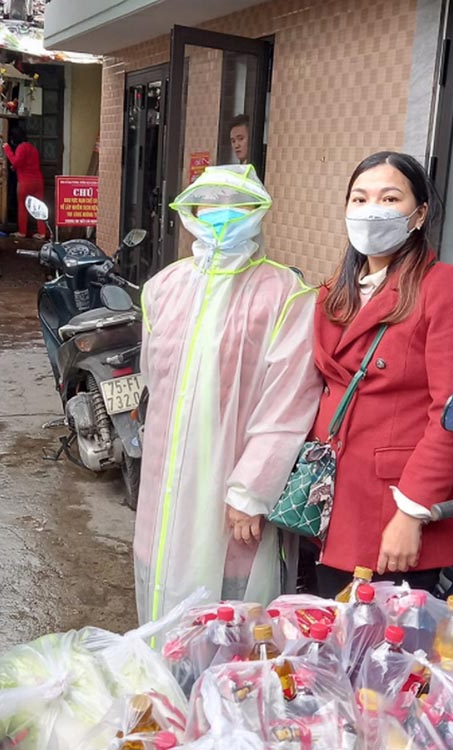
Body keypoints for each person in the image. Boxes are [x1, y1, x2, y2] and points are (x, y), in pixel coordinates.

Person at [134, 164, 322, 625]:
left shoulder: (285, 294)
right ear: (190, 211)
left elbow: (288, 404)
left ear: (257, 214)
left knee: (231, 611)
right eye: (210, 206)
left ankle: (223, 693)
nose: (221, 215)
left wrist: (250, 490)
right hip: (167, 478)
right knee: (162, 588)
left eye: (234, 206)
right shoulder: (163, 287)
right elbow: (154, 384)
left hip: (231, 487)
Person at [311, 151, 453, 596]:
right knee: (323, 647)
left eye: (390, 198)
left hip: (391, 508)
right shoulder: (336, 292)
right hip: (326, 500)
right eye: (360, 198)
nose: (372, 210)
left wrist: (412, 513)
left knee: (383, 657)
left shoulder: (446, 288)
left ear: (419, 213)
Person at [4, 125, 47, 239]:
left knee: (22, 206)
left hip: (25, 182)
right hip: (38, 181)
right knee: (39, 207)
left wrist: (7, 149)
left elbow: (16, 161)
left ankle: (22, 231)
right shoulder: (33, 148)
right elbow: (26, 163)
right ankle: (42, 232)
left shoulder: (21, 148)